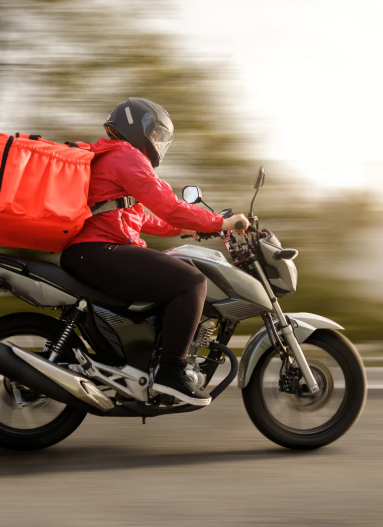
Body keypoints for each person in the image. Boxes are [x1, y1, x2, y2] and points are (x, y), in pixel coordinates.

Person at [60, 98, 248, 406]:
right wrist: (221, 222)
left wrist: (184, 229)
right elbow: (170, 206)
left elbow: (139, 217)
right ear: (139, 128)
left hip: (91, 252)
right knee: (192, 282)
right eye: (157, 134)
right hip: (99, 250)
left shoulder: (112, 157)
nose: (159, 143)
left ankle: (150, 362)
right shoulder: (126, 156)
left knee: (172, 277)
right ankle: (170, 371)